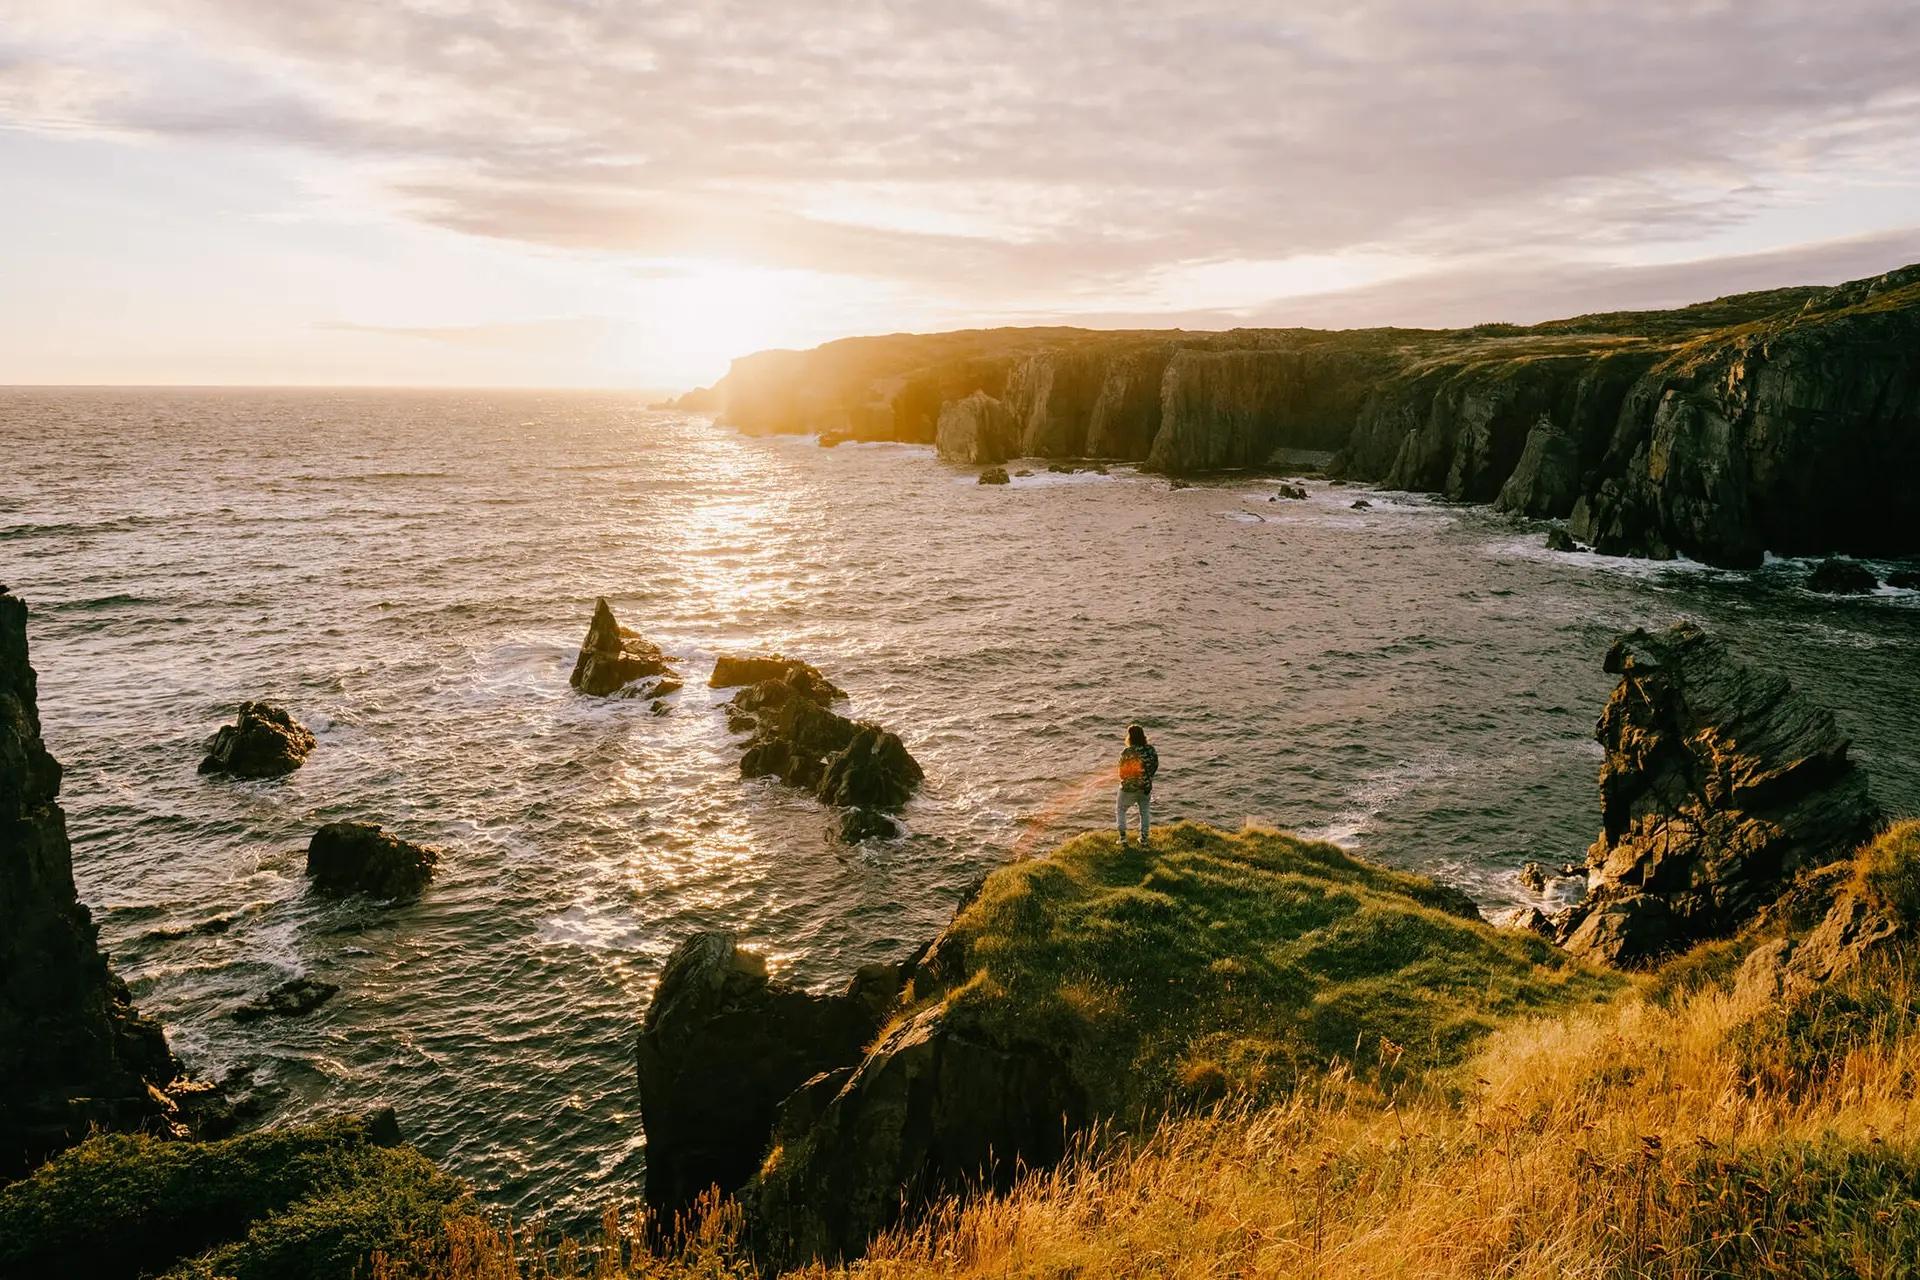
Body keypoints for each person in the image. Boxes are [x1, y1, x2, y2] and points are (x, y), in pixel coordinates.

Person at [1116, 723, 1158, 844]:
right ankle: (1144, 839)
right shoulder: (1150, 750)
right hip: (1145, 787)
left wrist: (1126, 780)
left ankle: (1123, 838)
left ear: (1130, 737)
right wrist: (1147, 778)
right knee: (1144, 811)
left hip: (1129, 787)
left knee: (1121, 809)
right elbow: (1155, 766)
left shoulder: (1127, 752)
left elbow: (1121, 771)